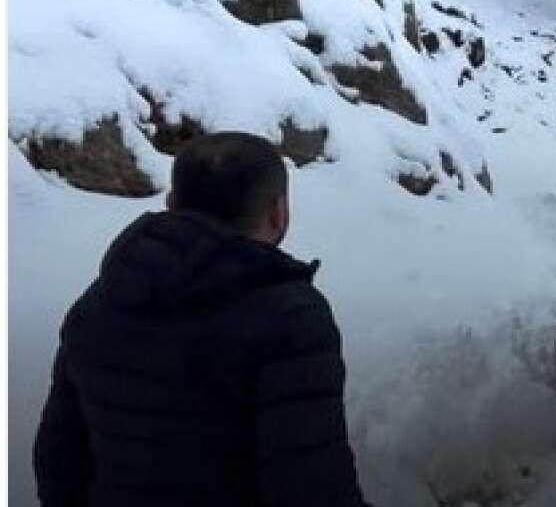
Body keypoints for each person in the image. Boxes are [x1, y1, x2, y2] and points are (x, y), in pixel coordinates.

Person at [33, 132, 368, 507]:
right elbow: (311, 486)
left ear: (172, 203)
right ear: (278, 212)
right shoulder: (290, 320)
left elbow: (59, 459)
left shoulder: (100, 303)